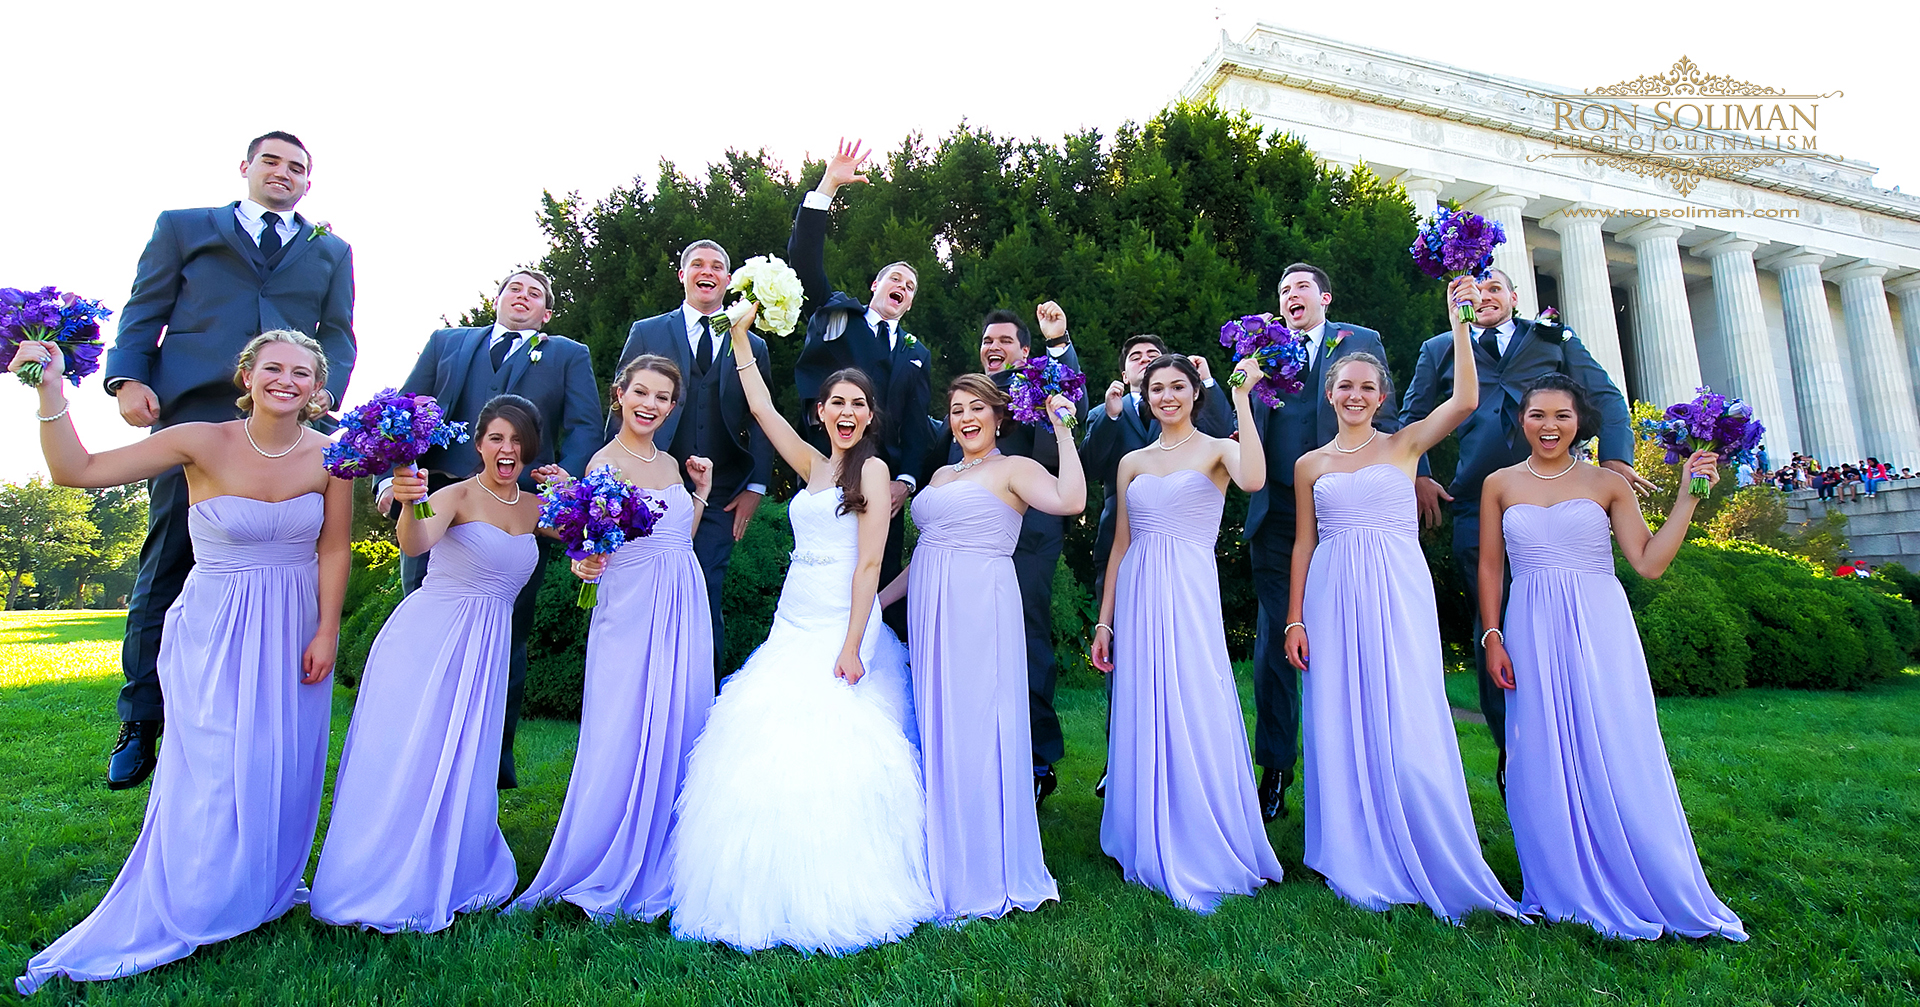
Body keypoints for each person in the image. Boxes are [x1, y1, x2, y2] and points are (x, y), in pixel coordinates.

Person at [13, 332, 351, 994]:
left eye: (301, 371)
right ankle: (197, 896)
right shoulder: (200, 440)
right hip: (216, 627)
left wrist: (327, 629)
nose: (286, 379)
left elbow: (334, 549)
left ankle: (258, 887)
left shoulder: (332, 456)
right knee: (213, 763)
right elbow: (75, 471)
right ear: (247, 374)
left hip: (293, 628)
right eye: (273, 368)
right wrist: (51, 391)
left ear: (317, 388)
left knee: (278, 760)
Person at [668, 302, 933, 954]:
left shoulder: (871, 471)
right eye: (834, 402)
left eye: (857, 404)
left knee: (827, 739)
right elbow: (762, 410)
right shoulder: (816, 467)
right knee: (762, 729)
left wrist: (851, 643)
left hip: (840, 625)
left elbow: (871, 559)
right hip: (793, 619)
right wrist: (738, 337)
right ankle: (755, 881)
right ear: (822, 411)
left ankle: (834, 881)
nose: (845, 412)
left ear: (870, 416)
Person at [100, 130, 356, 790]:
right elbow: (144, 308)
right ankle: (140, 717)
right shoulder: (184, 228)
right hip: (192, 413)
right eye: (271, 160)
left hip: (283, 421)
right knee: (169, 557)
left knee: (282, 560)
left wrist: (327, 389)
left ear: (308, 183)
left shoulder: (331, 251)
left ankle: (256, 706)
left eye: (297, 167)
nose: (283, 172)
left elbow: (340, 336)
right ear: (245, 167)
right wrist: (129, 378)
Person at [1284, 276, 1522, 924]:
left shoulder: (1405, 444)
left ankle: (1418, 827)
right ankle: (1352, 840)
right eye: (1345, 386)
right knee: (1341, 706)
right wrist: (1295, 617)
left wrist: (1459, 324)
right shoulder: (1310, 464)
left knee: (1404, 701)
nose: (1355, 394)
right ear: (1329, 393)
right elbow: (1304, 543)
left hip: (1396, 587)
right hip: (1332, 590)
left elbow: (1467, 399)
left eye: (1366, 386)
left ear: (1381, 395)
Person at [1480, 374, 1746, 941]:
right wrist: (1492, 635)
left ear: (1581, 423)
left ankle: (1637, 867)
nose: (1549, 426)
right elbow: (1490, 568)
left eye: (1562, 416)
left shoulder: (1607, 483)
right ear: (1521, 421)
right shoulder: (1499, 484)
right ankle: (1558, 880)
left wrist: (1687, 497)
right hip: (1528, 622)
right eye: (1537, 415)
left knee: (1614, 739)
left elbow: (1648, 563)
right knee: (1542, 744)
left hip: (1599, 622)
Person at [1401, 267, 1642, 795]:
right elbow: (1412, 415)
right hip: (1475, 504)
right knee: (1494, 627)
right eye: (1474, 290)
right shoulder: (1441, 346)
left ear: (1514, 296)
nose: (1484, 297)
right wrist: (1419, 476)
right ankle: (1515, 758)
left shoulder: (1553, 337)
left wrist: (1618, 460)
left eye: (1494, 289)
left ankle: (1581, 756)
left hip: (1560, 501)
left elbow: (1607, 398)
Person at [311, 395, 546, 933]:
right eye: (495, 439)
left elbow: (588, 534)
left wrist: (588, 518)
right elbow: (415, 540)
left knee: (468, 752)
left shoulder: (536, 506)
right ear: (480, 445)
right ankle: (387, 871)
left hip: (487, 648)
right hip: (432, 639)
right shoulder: (454, 495)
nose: (506, 449)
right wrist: (408, 492)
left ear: (528, 449)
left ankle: (457, 864)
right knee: (414, 749)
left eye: (516, 441)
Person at [376, 269, 601, 788]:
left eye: (536, 293)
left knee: (508, 638)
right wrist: (398, 481)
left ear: (547, 314)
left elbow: (587, 424)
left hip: (512, 510)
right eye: (513, 288)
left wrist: (562, 479)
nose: (522, 296)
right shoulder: (447, 343)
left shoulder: (569, 354)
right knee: (426, 624)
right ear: (495, 300)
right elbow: (404, 414)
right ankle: (418, 742)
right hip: (440, 499)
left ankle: (492, 756)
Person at [513, 358, 716, 922]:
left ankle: (666, 844)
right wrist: (583, 560)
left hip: (682, 598)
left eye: (663, 397)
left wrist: (699, 493)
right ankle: (607, 848)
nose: (650, 405)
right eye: (641, 393)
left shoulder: (673, 463)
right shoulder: (605, 462)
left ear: (672, 407)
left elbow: (677, 535)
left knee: (677, 714)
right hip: (630, 603)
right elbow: (591, 541)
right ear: (620, 395)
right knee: (623, 718)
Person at [879, 373, 1084, 922]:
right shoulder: (943, 473)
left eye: (976, 408)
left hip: (979, 608)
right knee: (937, 722)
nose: (965, 418)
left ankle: (985, 862)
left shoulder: (1016, 468)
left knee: (979, 724)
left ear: (999, 416)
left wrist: (1063, 427)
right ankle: (942, 849)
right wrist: (876, 603)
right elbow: (925, 553)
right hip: (931, 611)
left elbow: (1072, 499)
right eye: (955, 410)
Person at [1090, 353, 1283, 913]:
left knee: (1194, 697)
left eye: (1178, 386)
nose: (1167, 396)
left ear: (1197, 392)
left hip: (1191, 590)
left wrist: (1243, 398)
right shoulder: (1131, 461)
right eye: (1157, 388)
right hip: (1139, 590)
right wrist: (1106, 620)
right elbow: (1121, 545)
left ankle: (1202, 825)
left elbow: (1255, 477)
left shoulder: (1219, 449)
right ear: (1144, 396)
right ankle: (1144, 823)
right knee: (1145, 700)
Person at [1241, 262, 1403, 823]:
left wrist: (1419, 472)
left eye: (1300, 287)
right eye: (1282, 289)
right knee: (1274, 646)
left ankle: (1366, 766)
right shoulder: (1261, 352)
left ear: (1324, 297)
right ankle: (1277, 767)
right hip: (1279, 513)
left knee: (1357, 636)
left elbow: (1395, 411)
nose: (1290, 295)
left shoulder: (1359, 342)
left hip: (1344, 508)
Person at [932, 303, 1086, 803]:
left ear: (1024, 351)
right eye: (986, 341)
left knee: (1027, 640)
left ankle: (1036, 760)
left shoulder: (1038, 392)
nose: (992, 347)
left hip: (1030, 538)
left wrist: (1058, 344)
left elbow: (1069, 403)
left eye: (1004, 341)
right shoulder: (970, 407)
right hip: (965, 546)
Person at [605, 241, 772, 687]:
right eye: (697, 264)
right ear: (682, 275)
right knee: (641, 593)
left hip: (718, 496)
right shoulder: (648, 331)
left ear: (728, 280)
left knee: (704, 591)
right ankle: (640, 689)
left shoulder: (752, 343)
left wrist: (756, 487)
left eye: (718, 266)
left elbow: (762, 418)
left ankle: (700, 703)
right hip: (648, 488)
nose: (708, 272)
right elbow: (622, 402)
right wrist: (608, 481)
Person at [790, 138, 933, 637]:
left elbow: (918, 424)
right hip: (832, 471)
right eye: (896, 278)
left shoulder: (918, 353)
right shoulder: (842, 318)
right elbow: (806, 261)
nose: (903, 286)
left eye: (911, 286)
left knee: (879, 588)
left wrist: (906, 481)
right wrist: (828, 185)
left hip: (883, 486)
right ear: (876, 285)